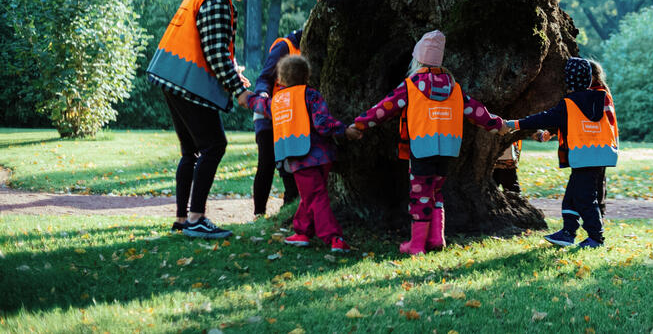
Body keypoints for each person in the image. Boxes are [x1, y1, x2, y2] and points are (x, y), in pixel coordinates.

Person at [345, 30, 507, 255]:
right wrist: (497, 124)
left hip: (422, 148)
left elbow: (386, 107)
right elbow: (475, 110)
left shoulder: (412, 85)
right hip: (448, 148)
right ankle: (436, 239)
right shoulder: (454, 87)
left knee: (420, 193)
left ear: (417, 59)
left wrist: (360, 124)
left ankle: (417, 245)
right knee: (436, 191)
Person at [147, 0, 263, 239]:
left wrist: (232, 71)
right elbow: (214, 53)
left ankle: (182, 219)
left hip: (172, 77)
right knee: (214, 145)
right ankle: (197, 218)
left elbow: (204, 46)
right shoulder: (218, 0)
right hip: (188, 85)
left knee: (191, 151)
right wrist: (240, 90)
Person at [239, 55, 351, 252]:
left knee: (315, 196)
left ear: (279, 80)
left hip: (299, 158)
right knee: (311, 195)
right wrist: (344, 129)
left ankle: (333, 237)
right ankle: (302, 231)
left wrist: (245, 96)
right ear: (307, 77)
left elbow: (258, 104)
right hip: (322, 156)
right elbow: (323, 124)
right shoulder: (312, 95)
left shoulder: (277, 101)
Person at [505, 57, 618, 249]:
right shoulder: (602, 98)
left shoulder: (569, 103)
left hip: (583, 157)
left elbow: (543, 117)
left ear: (569, 81)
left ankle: (596, 238)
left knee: (585, 198)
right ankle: (568, 232)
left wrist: (514, 124)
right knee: (572, 196)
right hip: (601, 155)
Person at [250, 30, 301, 218]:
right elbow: (264, 77)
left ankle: (290, 209)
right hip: (267, 114)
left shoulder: (313, 50)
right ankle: (259, 214)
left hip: (290, 117)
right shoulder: (285, 46)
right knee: (266, 163)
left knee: (291, 164)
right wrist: (262, 96)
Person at [588, 59, 615, 218]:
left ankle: (599, 213)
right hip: (590, 145)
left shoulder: (601, 94)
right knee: (594, 180)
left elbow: (609, 119)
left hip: (599, 145)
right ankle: (594, 212)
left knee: (598, 181)